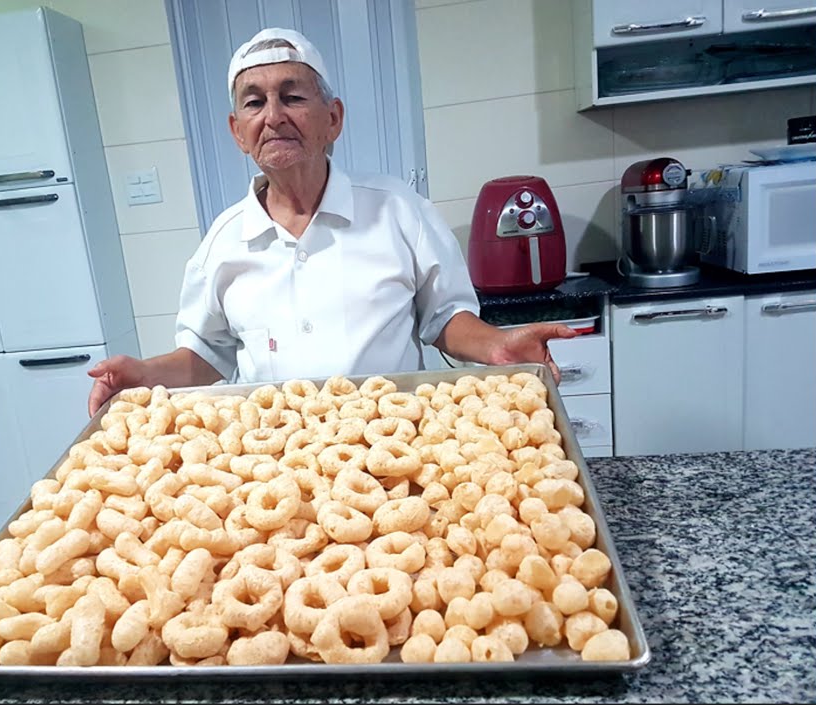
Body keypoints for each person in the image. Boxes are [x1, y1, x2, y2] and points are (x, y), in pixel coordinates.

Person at [87, 27, 576, 417]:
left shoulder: (398, 210)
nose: (273, 116)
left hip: (391, 442)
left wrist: (497, 346)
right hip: (274, 460)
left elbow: (446, 317)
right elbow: (204, 355)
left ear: (333, 119)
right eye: (254, 102)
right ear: (238, 132)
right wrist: (145, 374)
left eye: (293, 97)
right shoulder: (223, 242)